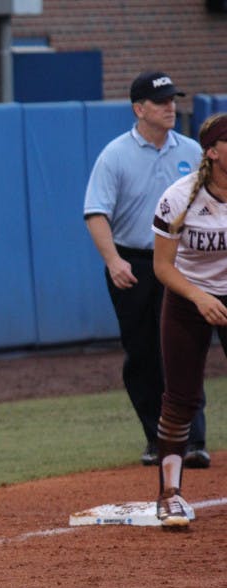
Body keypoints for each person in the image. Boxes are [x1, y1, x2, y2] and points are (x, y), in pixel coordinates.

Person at [83, 71, 209, 468]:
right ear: (139, 109)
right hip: (134, 264)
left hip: (181, 263)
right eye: (161, 101)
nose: (171, 106)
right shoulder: (115, 155)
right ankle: (157, 439)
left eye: (173, 99)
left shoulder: (192, 150)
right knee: (142, 354)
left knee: (185, 349)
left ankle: (192, 441)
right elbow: (96, 212)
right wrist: (113, 261)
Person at [151, 112, 227, 528]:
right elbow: (163, 267)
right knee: (181, 398)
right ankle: (169, 495)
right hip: (187, 297)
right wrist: (199, 297)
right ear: (213, 152)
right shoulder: (179, 198)